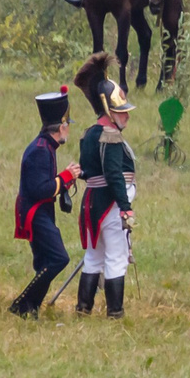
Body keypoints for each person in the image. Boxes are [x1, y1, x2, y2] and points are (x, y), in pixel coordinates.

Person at [67, 52, 137, 319]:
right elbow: (115, 176)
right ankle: (115, 312)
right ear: (109, 110)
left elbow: (88, 171)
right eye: (121, 112)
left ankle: (83, 308)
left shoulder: (89, 134)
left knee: (94, 257)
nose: (126, 117)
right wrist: (125, 208)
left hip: (93, 203)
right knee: (116, 258)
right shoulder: (109, 136)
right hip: (109, 204)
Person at [10, 89, 75, 317]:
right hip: (35, 212)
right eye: (68, 125)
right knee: (59, 258)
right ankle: (22, 305)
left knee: (45, 262)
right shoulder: (40, 150)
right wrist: (66, 177)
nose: (69, 129)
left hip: (40, 211)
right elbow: (40, 189)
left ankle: (31, 309)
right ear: (60, 127)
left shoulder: (46, 147)